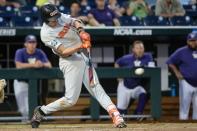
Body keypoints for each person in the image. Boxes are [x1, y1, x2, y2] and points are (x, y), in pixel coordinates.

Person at [30, 4, 126, 128]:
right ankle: (42, 111)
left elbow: (75, 21)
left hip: (83, 56)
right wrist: (81, 46)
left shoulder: (59, 17)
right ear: (46, 19)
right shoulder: (46, 33)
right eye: (53, 19)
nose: (56, 19)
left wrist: (81, 32)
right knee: (71, 100)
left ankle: (116, 115)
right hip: (69, 61)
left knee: (96, 87)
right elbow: (63, 51)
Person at [14, 34, 52, 122]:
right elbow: (18, 65)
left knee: (29, 107)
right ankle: (25, 123)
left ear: (36, 43)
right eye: (29, 42)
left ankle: (29, 124)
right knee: (22, 108)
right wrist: (34, 65)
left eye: (33, 42)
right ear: (25, 44)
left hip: (32, 84)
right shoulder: (20, 51)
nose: (32, 44)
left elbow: (49, 65)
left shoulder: (39, 52)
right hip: (20, 82)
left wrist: (42, 64)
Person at [115, 40, 154, 118]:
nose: (140, 50)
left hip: (136, 86)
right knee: (120, 113)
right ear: (133, 49)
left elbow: (152, 69)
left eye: (141, 48)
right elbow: (117, 63)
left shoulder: (148, 57)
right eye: (137, 48)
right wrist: (119, 76)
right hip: (125, 86)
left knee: (143, 93)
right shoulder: (127, 58)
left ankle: (137, 114)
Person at [166, 32, 197, 120]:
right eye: (190, 41)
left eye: (194, 40)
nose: (192, 42)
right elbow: (170, 62)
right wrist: (177, 73)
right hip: (186, 82)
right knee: (184, 106)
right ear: (187, 41)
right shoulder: (181, 51)